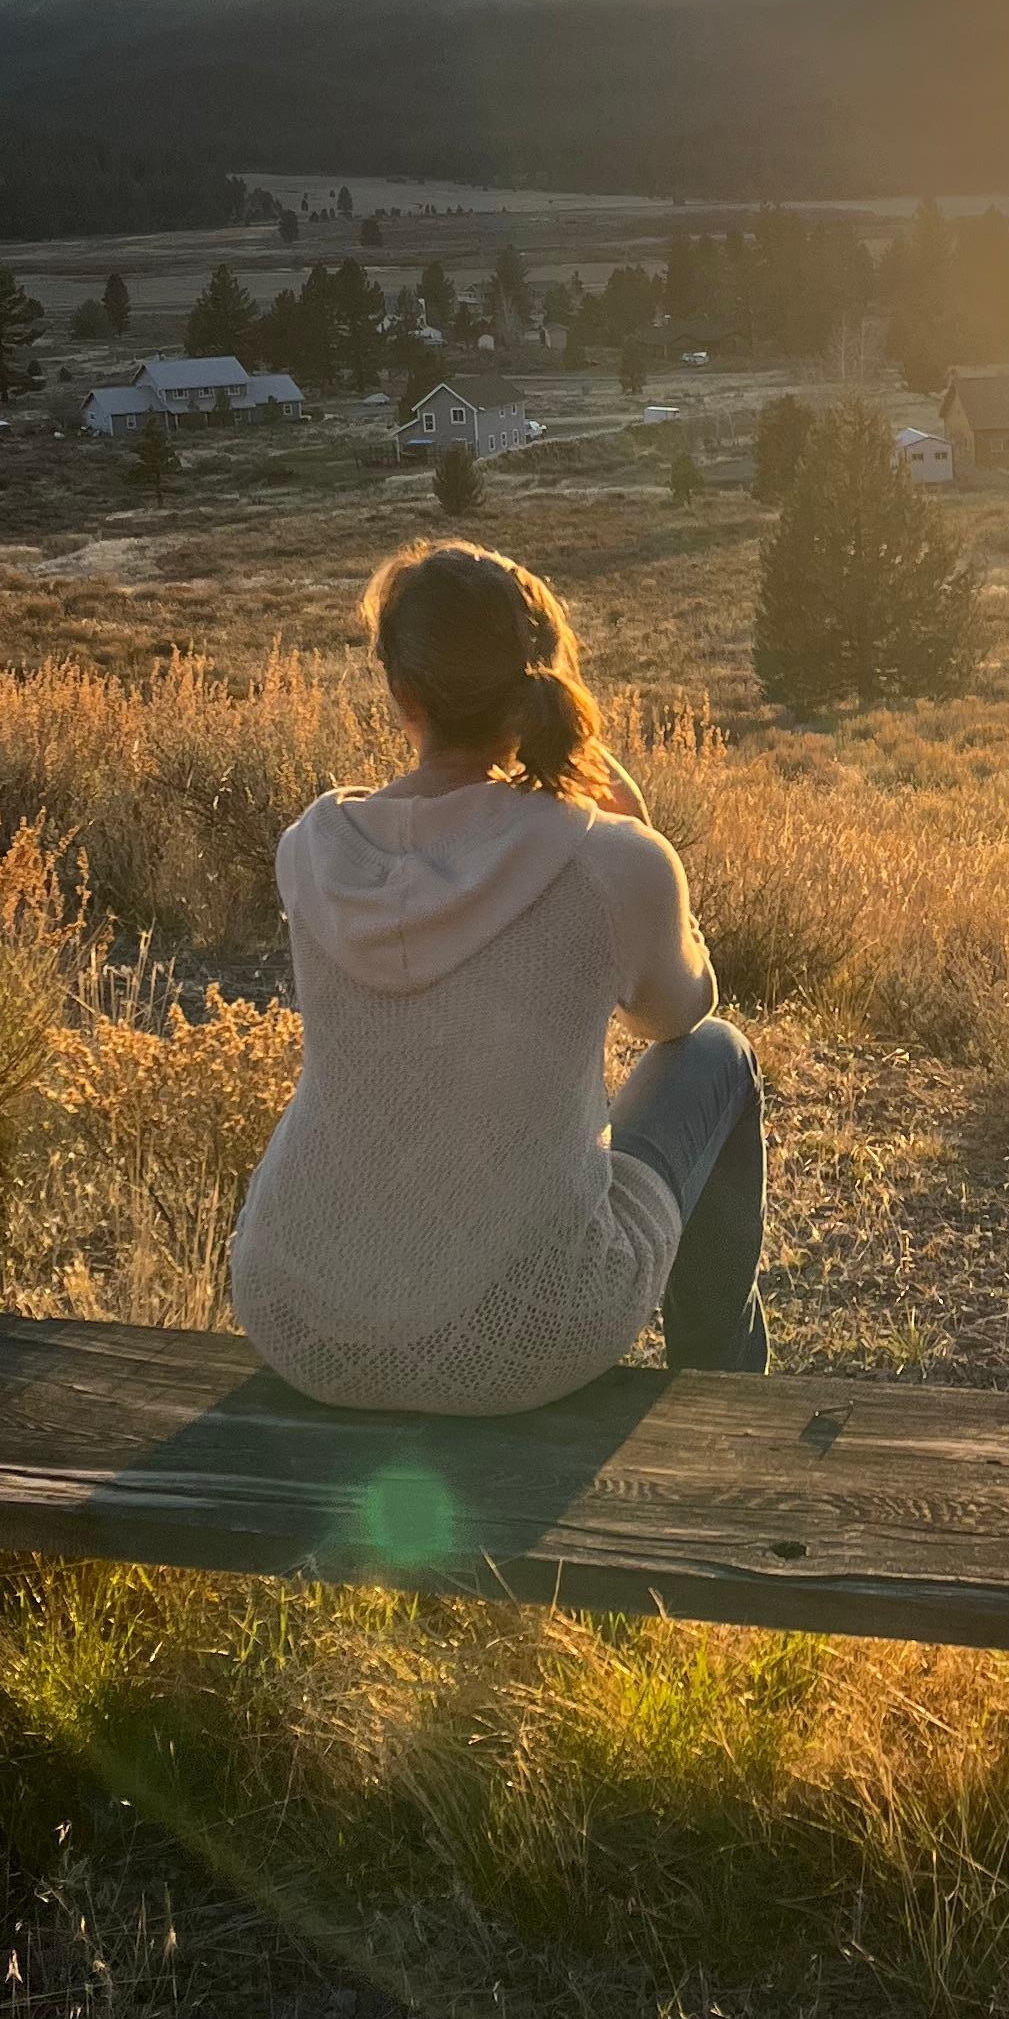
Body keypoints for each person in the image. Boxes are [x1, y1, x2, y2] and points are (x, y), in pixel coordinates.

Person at [229, 539, 767, 1409]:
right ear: (534, 682)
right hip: (524, 1336)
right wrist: (642, 837)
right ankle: (723, 1396)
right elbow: (676, 1017)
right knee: (718, 1054)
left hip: (300, 1315)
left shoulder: (313, 850)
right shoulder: (607, 859)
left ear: (404, 694)